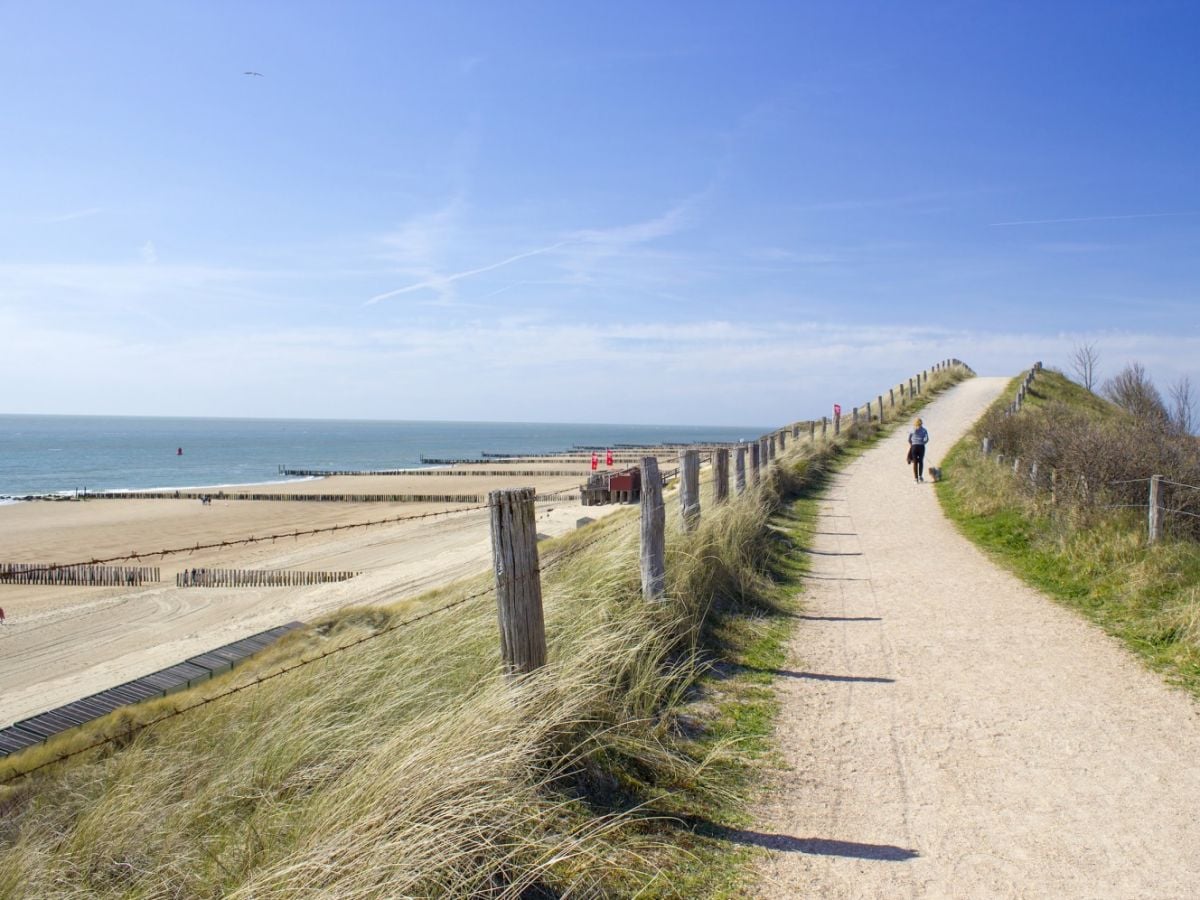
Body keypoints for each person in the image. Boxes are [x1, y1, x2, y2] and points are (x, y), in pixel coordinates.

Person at [908, 417, 930, 482]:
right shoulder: (924, 430)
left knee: (915, 462)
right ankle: (920, 476)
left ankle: (915, 478)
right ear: (921, 423)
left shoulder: (912, 430)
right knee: (920, 461)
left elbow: (909, 439)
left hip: (914, 447)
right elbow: (927, 439)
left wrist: (912, 444)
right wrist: (923, 443)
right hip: (921, 446)